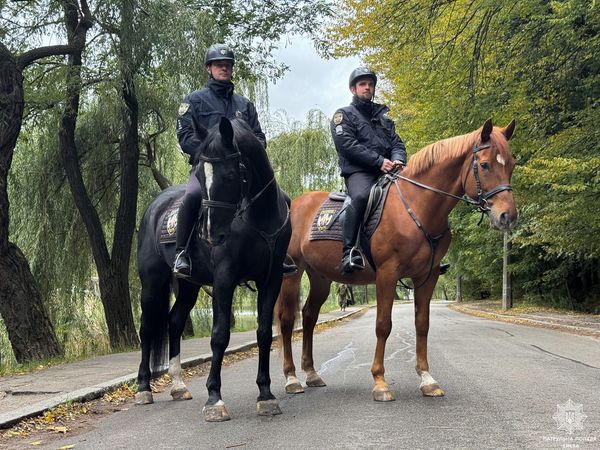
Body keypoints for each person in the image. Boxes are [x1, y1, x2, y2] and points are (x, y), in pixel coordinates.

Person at [173, 43, 296, 277]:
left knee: (284, 199)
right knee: (192, 196)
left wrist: (252, 152)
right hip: (208, 170)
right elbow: (185, 136)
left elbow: (259, 136)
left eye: (228, 65)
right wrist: (213, 154)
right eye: (219, 65)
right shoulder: (194, 101)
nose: (224, 68)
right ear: (209, 69)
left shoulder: (244, 105)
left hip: (241, 173)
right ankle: (182, 253)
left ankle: (278, 254)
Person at [330, 67, 407, 273]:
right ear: (353, 89)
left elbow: (397, 143)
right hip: (360, 172)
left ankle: (422, 252)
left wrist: (398, 160)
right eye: (363, 84)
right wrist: (378, 161)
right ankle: (349, 252)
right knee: (362, 197)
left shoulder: (384, 119)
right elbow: (346, 144)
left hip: (389, 170)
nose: (368, 87)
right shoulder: (343, 115)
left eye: (371, 84)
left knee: (414, 194)